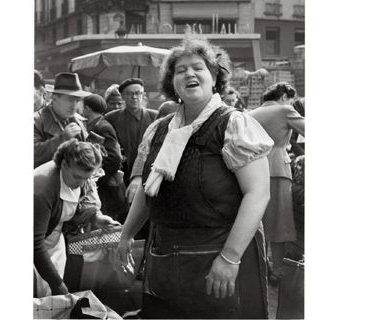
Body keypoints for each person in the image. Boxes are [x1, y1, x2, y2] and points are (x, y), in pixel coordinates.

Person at [116, 35, 274, 319]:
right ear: (172, 83)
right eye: (180, 70)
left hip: (218, 260)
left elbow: (258, 193)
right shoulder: (160, 130)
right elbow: (149, 190)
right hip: (164, 262)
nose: (189, 73)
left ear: (214, 76)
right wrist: (127, 233)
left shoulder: (234, 124)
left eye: (198, 67)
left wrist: (230, 257)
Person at [34, 139, 120, 298]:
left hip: (54, 240)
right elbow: (35, 244)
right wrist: (57, 283)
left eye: (86, 178)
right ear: (64, 165)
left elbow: (79, 206)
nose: (81, 183)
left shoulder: (79, 178)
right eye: (77, 177)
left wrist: (96, 218)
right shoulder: (41, 191)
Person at [248, 82, 305, 281]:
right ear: (283, 97)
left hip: (252, 171)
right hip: (278, 169)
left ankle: (260, 267)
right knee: (280, 222)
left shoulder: (251, 113)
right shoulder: (284, 109)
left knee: (258, 221)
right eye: (291, 100)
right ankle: (279, 269)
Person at [104, 78, 158, 202]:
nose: (134, 97)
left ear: (143, 95)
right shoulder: (111, 118)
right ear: (123, 96)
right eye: (130, 94)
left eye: (138, 93)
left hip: (147, 176)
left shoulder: (155, 117)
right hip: (122, 176)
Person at [82, 94, 127, 220]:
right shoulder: (95, 125)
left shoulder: (102, 127)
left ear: (87, 108)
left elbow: (114, 158)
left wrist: (97, 178)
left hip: (106, 189)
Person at [34, 72, 91, 168]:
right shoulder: (37, 121)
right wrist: (63, 138)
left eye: (77, 100)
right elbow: (34, 155)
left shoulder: (79, 120)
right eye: (70, 100)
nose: (74, 105)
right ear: (55, 98)